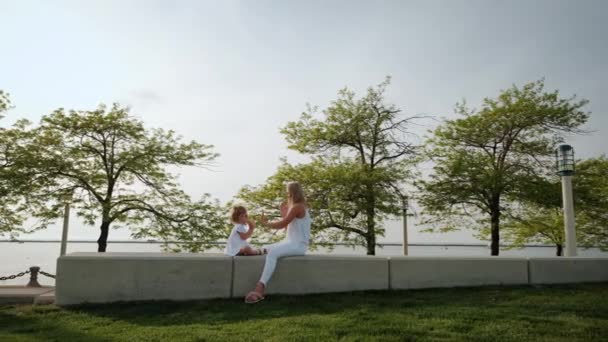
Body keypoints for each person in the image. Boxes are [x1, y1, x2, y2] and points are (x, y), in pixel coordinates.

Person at [245, 181, 311, 304]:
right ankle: (255, 252)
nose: (287, 195)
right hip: (290, 242)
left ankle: (260, 289)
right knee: (268, 247)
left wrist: (266, 224)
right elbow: (288, 229)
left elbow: (282, 224)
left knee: (273, 253)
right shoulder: (295, 207)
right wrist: (284, 213)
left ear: (292, 192)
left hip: (299, 245)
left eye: (288, 192)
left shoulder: (298, 207)